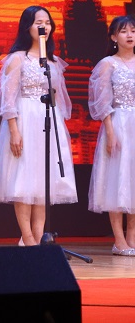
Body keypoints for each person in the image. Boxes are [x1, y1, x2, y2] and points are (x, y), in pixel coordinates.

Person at [0, 6, 77, 245]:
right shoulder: (17, 58)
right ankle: (26, 237)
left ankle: (39, 236)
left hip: (48, 118)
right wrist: (14, 130)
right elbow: (8, 99)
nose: (44, 26)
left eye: (47, 22)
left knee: (42, 181)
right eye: (38, 22)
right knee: (24, 178)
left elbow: (58, 98)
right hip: (25, 118)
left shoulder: (53, 62)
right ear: (27, 27)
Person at [88, 15, 135, 256]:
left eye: (133, 31)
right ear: (114, 37)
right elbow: (102, 100)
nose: (130, 35)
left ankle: (132, 237)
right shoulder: (108, 64)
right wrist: (109, 130)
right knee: (117, 180)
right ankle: (119, 240)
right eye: (124, 31)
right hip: (118, 123)